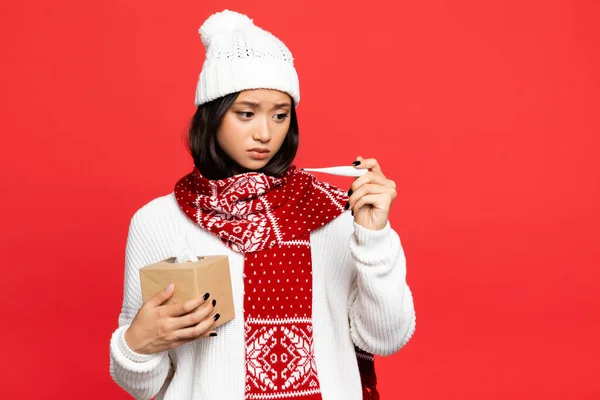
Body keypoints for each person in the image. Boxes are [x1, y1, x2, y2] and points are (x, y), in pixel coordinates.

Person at [109, 9, 416, 400]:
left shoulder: (332, 212)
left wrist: (374, 237)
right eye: (246, 113)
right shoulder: (159, 222)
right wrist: (136, 344)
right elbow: (143, 384)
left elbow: (386, 337)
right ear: (213, 116)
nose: (265, 132)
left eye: (280, 115)